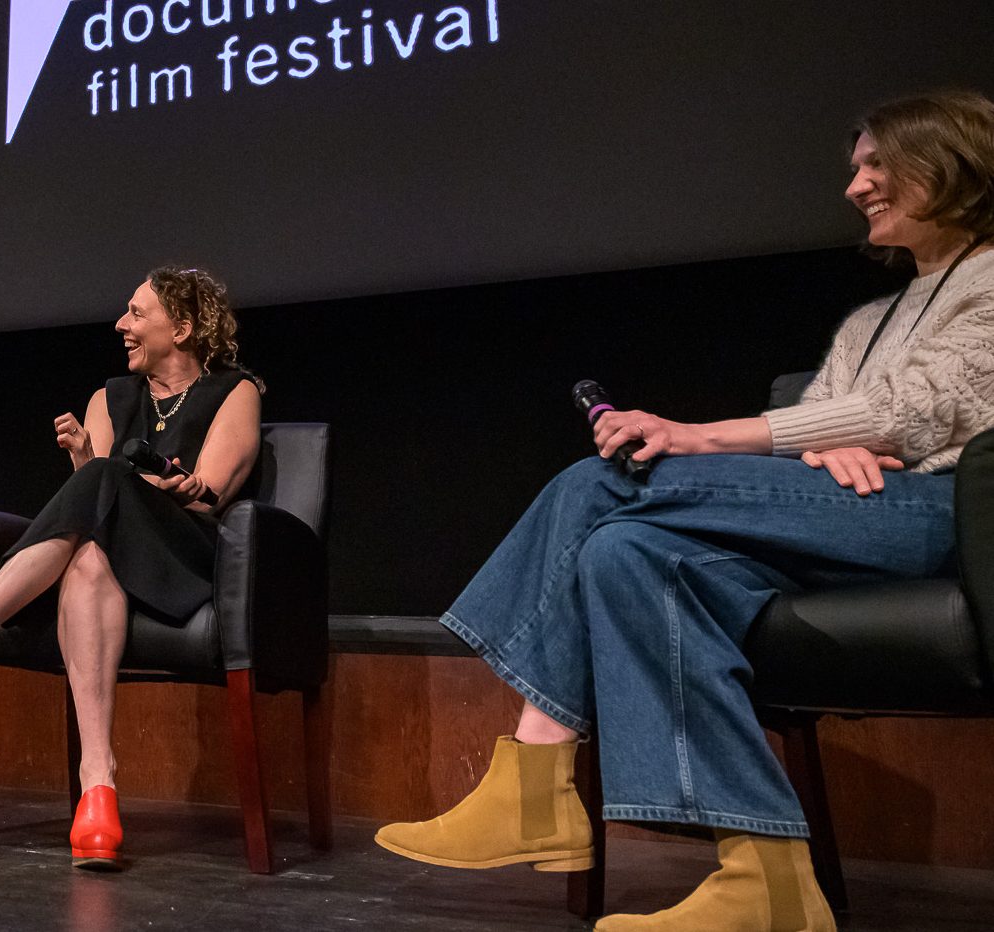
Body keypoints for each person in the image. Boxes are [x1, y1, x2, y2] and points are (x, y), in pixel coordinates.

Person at [374, 89, 994, 931]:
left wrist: (703, 435)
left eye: (877, 163)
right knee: (623, 556)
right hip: (847, 512)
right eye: (855, 169)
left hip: (941, 511)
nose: (857, 186)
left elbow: (919, 413)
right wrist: (824, 441)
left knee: (602, 484)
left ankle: (532, 780)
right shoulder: (868, 322)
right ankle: (768, 880)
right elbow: (835, 422)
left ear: (949, 159)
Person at [0, 267, 263, 870]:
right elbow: (97, 505)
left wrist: (175, 483)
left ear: (184, 327)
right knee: (87, 560)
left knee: (107, 479)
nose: (121, 325)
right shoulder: (108, 397)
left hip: (188, 554)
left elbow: (212, 491)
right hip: (114, 553)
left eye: (137, 314)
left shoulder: (235, 392)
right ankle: (98, 790)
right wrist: (87, 461)